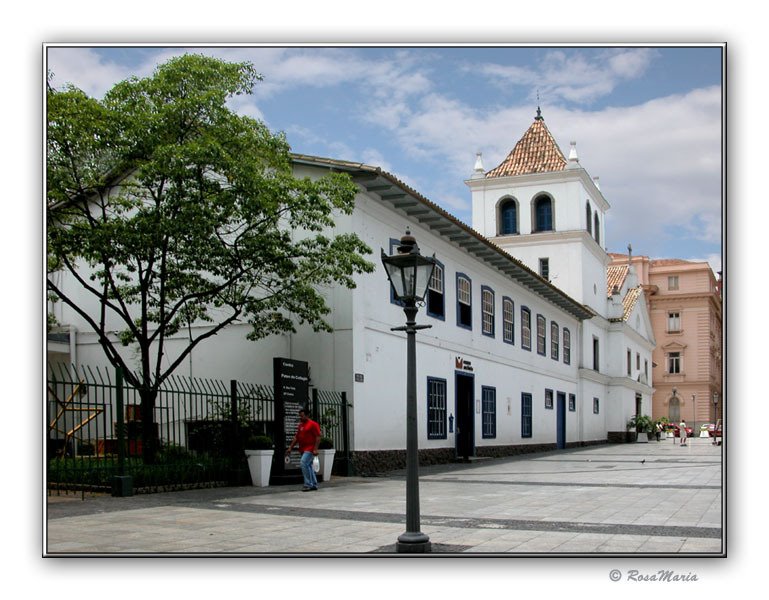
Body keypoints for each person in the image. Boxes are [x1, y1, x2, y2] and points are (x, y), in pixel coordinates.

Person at [286, 408, 321, 491]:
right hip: (302, 449)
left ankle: (308, 484)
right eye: (300, 416)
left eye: (302, 416)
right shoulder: (300, 425)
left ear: (307, 415)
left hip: (310, 449)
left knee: (303, 462)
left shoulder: (313, 424)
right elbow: (296, 437)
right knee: (308, 466)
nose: (300, 418)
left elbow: (318, 437)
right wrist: (290, 447)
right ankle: (314, 484)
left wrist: (315, 449)